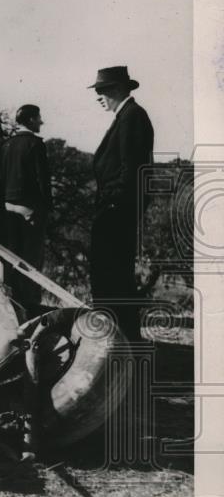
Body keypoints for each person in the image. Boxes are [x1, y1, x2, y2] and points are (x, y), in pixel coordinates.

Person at [87, 66, 154, 340]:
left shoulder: (132, 117)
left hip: (117, 212)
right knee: (111, 278)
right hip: (115, 210)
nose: (98, 96)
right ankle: (117, 341)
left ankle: (122, 342)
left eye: (101, 90)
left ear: (116, 89)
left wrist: (113, 205)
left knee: (112, 278)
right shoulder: (125, 117)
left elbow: (131, 170)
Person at [0, 104, 51, 310]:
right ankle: (31, 308)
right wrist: (45, 210)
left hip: (8, 211)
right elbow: (42, 182)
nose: (41, 122)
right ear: (30, 120)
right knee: (32, 262)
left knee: (12, 260)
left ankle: (14, 307)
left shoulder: (6, 145)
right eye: (38, 118)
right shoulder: (36, 145)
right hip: (31, 213)